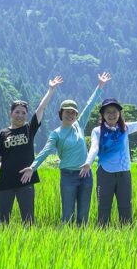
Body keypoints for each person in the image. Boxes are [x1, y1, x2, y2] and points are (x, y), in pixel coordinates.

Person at [23, 72, 109, 225]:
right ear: (61, 114)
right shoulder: (56, 134)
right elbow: (45, 151)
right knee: (67, 215)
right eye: (67, 112)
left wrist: (100, 86)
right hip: (68, 176)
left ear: (76, 115)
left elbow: (89, 105)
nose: (70, 115)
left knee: (83, 216)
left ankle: (82, 245)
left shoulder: (79, 125)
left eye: (73, 112)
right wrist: (32, 167)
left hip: (85, 175)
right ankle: (67, 242)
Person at [0, 76, 63, 226]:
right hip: (6, 180)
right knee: (3, 220)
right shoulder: (1, 134)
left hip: (26, 180)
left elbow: (41, 108)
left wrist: (51, 90)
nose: (20, 115)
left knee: (28, 220)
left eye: (23, 113)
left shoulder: (29, 129)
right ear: (11, 113)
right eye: (17, 112)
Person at [81, 97, 137, 226]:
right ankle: (103, 236)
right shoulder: (97, 131)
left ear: (119, 114)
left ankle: (127, 235)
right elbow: (94, 147)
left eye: (115, 111)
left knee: (125, 207)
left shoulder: (125, 128)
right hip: (105, 174)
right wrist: (88, 162)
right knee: (103, 208)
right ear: (103, 114)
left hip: (124, 174)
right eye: (108, 112)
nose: (112, 115)